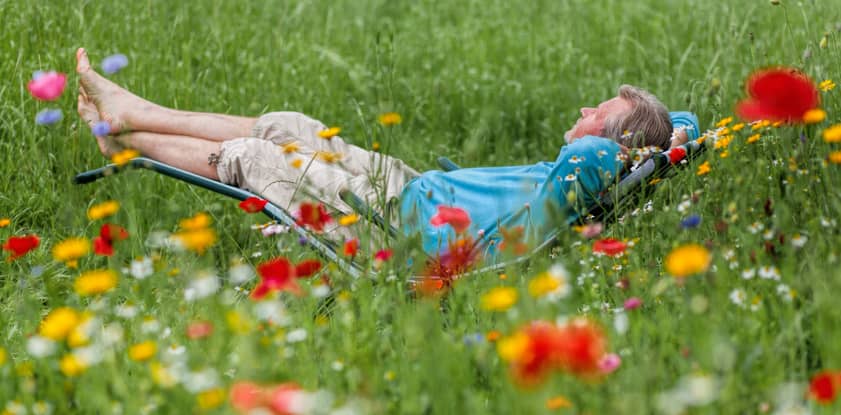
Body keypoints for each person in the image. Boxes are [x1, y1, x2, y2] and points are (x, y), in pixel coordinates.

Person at [74, 48, 698, 258]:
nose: (585, 111)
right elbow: (684, 122)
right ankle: (131, 113)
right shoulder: (595, 170)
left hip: (394, 227)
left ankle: (121, 133)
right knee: (289, 124)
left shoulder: (585, 172)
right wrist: (671, 139)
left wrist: (649, 142)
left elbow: (622, 144)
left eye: (599, 116)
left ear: (612, 147)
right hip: (410, 187)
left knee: (254, 158)